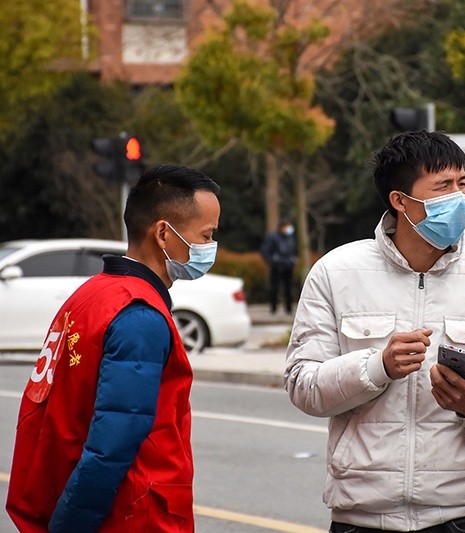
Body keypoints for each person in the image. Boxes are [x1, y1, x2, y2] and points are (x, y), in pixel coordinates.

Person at [284, 130, 465, 532]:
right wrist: (377, 366)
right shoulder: (335, 272)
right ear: (400, 201)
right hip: (359, 516)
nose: (459, 198)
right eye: (443, 187)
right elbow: (303, 386)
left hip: (459, 515)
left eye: (462, 184)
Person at [6, 164, 221, 532]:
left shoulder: (92, 294)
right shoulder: (140, 316)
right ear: (163, 233)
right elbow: (112, 446)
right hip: (132, 515)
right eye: (206, 235)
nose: (210, 247)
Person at [260, 218, 298, 314]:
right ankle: (273, 308)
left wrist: (293, 259)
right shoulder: (273, 237)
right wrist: (271, 261)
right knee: (274, 288)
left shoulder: (290, 237)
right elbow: (265, 251)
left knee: (288, 288)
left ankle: (289, 308)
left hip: (288, 266)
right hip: (277, 267)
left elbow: (294, 250)